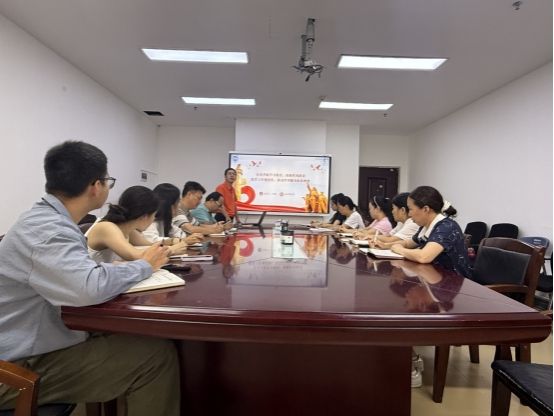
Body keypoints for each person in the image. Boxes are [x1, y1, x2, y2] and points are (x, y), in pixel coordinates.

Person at [0, 141, 179, 415]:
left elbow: (81, 274)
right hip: (13, 369)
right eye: (108, 181)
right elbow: (88, 287)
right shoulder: (49, 230)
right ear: (96, 186)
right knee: (155, 357)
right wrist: (144, 266)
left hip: (33, 342)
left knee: (132, 334)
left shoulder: (46, 220)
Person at [86, 185, 188, 263]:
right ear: (144, 216)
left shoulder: (127, 229)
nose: (153, 219)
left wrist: (171, 241)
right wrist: (171, 250)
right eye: (154, 215)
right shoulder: (107, 227)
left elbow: (149, 245)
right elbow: (136, 256)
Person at [390, 186, 471, 278]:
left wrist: (399, 249)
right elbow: (408, 243)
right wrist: (389, 245)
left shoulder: (446, 227)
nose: (409, 214)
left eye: (411, 209)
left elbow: (424, 257)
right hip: (433, 277)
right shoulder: (425, 226)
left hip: (454, 281)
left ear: (426, 209)